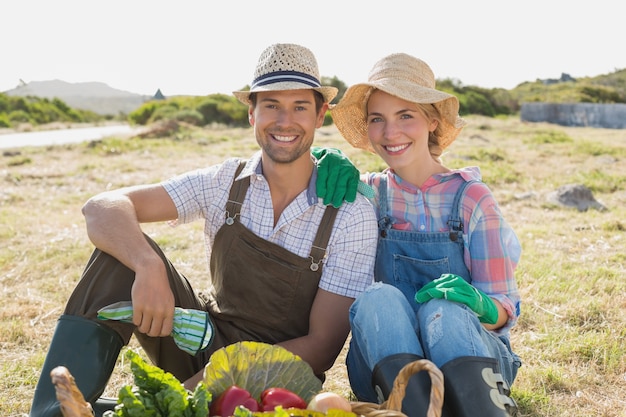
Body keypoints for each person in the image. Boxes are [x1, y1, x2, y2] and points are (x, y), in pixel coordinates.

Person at [29, 43, 378, 417]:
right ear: (251, 113)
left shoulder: (350, 213)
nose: (284, 120)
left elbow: (322, 345)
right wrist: (148, 265)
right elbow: (101, 207)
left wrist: (215, 380)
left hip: (278, 379)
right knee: (116, 257)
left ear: (320, 114)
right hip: (203, 343)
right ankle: (53, 412)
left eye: (300, 107)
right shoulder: (225, 181)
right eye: (271, 105)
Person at [319, 53, 522, 416]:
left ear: (431, 121)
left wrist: (478, 303)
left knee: (443, 308)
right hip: (386, 360)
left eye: (405, 116)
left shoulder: (471, 198)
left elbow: (504, 312)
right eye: (377, 119)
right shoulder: (367, 195)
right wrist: (318, 161)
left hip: (470, 358)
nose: (389, 132)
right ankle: (409, 407)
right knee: (377, 297)